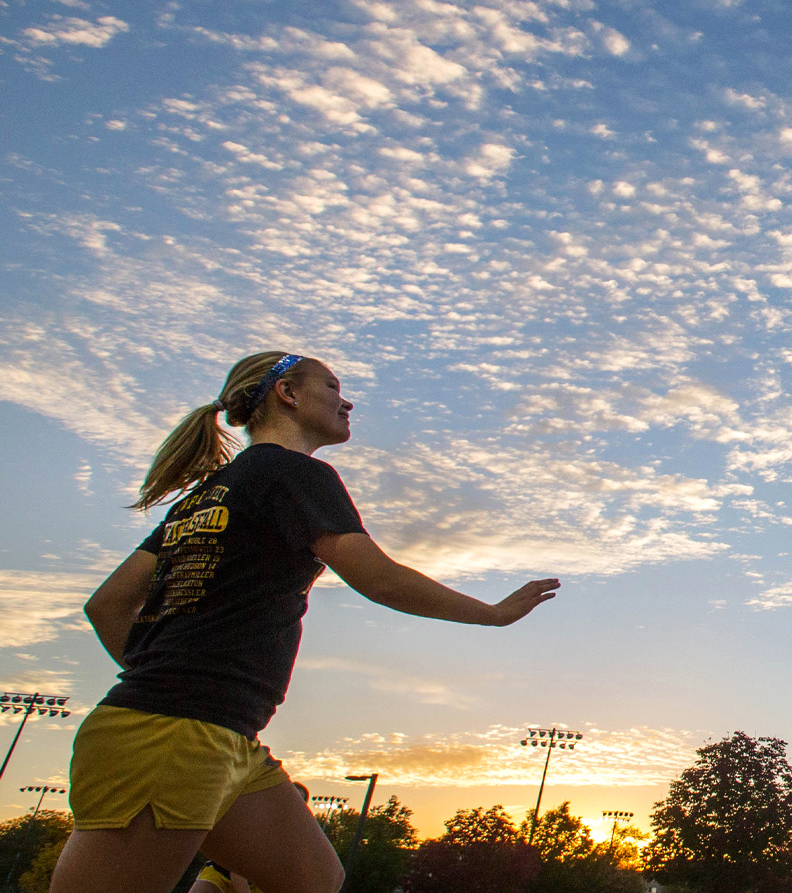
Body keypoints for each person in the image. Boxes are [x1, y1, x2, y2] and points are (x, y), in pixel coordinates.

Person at [54, 351, 561, 893]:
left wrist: (163, 671)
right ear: (287, 394)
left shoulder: (209, 493)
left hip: (222, 733)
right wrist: (492, 615)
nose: (346, 400)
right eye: (332, 385)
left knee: (313, 880)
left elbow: (106, 605)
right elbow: (379, 578)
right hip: (169, 732)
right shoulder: (293, 473)